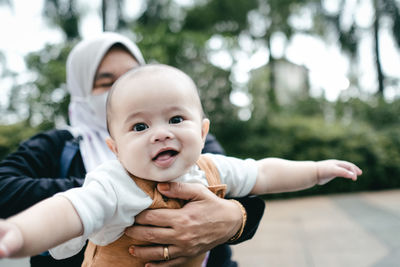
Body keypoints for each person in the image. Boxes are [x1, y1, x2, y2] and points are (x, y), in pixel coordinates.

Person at [0, 64, 362, 266]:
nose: (161, 134)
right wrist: (18, 235)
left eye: (175, 119)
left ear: (203, 130)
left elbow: (263, 172)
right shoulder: (112, 184)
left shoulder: (211, 167)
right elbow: (68, 211)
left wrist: (315, 171)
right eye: (140, 127)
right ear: (116, 148)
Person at [0, 33, 265, 267]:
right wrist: (110, 193)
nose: (119, 87)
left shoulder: (183, 137)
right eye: (106, 82)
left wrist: (234, 219)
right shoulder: (56, 144)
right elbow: (5, 188)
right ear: (81, 89)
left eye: (130, 76)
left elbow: (243, 187)